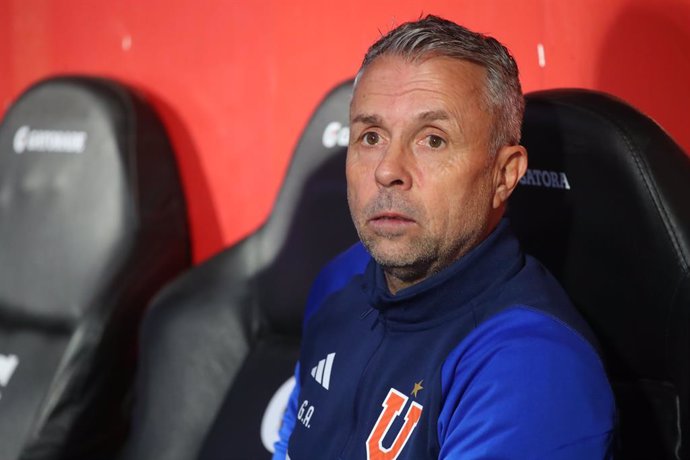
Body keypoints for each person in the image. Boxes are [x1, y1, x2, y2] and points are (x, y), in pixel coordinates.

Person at [274, 15, 615, 459]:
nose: (388, 170)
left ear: (504, 174)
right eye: (371, 136)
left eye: (432, 140)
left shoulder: (531, 367)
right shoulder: (339, 280)